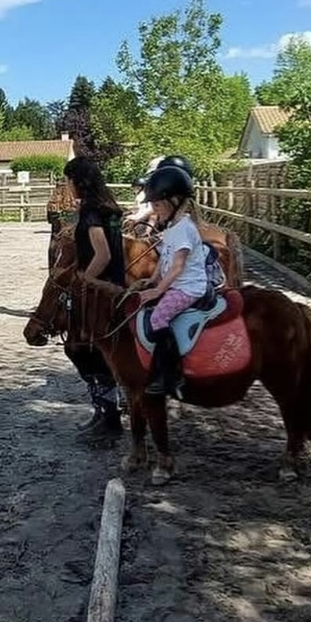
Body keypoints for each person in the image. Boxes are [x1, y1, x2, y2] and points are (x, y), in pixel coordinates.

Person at [61, 156, 127, 444]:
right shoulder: (107, 208)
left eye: (68, 179)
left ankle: (109, 417)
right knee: (93, 351)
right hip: (114, 286)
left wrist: (84, 280)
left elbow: (102, 253)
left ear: (79, 181)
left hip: (98, 291)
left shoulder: (90, 212)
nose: (67, 185)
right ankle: (105, 413)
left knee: (83, 351)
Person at [136, 164, 209, 398]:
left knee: (159, 317)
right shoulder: (171, 227)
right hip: (176, 284)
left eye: (157, 205)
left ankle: (171, 374)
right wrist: (152, 279)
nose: (154, 211)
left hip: (189, 287)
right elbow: (164, 259)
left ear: (175, 201)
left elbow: (177, 266)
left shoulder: (185, 229)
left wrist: (158, 290)